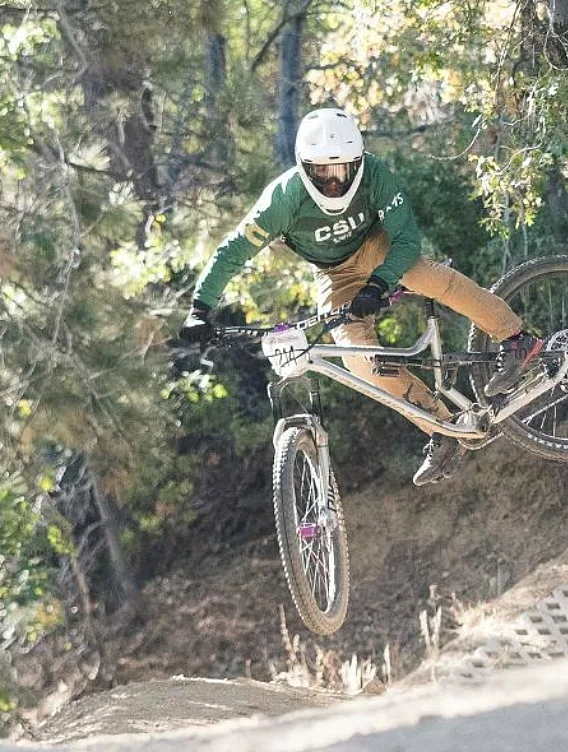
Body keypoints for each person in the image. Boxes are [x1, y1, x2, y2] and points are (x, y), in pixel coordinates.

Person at [179, 108, 543, 486]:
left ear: (359, 161)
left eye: (344, 170)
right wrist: (200, 308)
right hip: (333, 274)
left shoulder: (375, 173)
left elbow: (406, 240)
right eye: (322, 172)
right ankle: (442, 429)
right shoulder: (283, 200)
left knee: (426, 276)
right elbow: (233, 251)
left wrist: (378, 284)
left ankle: (516, 339)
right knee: (357, 359)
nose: (335, 182)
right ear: (304, 167)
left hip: (376, 245)